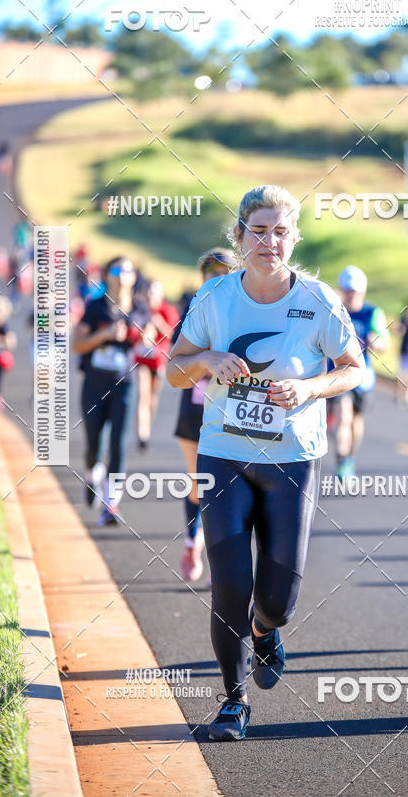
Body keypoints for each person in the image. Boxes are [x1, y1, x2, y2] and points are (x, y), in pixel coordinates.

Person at [167, 185, 366, 741]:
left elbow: (354, 368)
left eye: (280, 231)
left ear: (293, 238)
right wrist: (205, 359)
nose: (269, 241)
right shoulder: (215, 298)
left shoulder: (319, 300)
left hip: (291, 459)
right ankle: (233, 703)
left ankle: (264, 630)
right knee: (229, 584)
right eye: (258, 230)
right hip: (223, 454)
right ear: (239, 236)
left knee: (277, 601)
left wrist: (309, 388)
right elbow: (173, 370)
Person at [172, 248, 237, 582]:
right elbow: (176, 363)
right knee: (200, 486)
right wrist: (205, 361)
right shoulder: (192, 311)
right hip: (195, 412)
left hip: (234, 414)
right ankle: (190, 542)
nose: (216, 276)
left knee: (229, 491)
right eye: (209, 271)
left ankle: (218, 560)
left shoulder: (245, 312)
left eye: (224, 270)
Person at [72, 256, 150, 525]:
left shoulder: (140, 309)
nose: (122, 275)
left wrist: (143, 337)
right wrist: (103, 336)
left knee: (118, 443)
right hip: (94, 383)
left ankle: (111, 503)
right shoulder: (95, 308)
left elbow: (149, 344)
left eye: (127, 270)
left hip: (124, 386)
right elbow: (77, 344)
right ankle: (92, 474)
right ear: (107, 275)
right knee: (95, 442)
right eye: (116, 270)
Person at [329, 265, 389, 479]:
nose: (350, 295)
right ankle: (342, 460)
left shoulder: (371, 312)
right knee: (343, 416)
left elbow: (384, 343)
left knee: (357, 421)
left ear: (362, 291)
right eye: (347, 290)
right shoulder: (333, 311)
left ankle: (351, 457)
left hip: (363, 377)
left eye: (354, 291)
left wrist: (375, 342)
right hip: (337, 373)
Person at [134, 280, 180, 451]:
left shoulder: (167, 310)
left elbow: (174, 334)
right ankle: (142, 434)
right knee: (142, 394)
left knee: (153, 397)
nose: (151, 295)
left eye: (155, 292)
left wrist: (158, 322)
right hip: (141, 360)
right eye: (149, 291)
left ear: (161, 295)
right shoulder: (139, 309)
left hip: (159, 360)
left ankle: (148, 425)